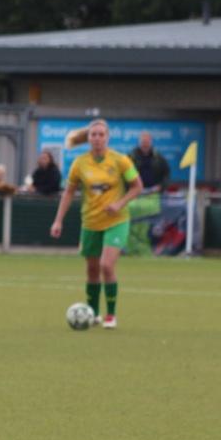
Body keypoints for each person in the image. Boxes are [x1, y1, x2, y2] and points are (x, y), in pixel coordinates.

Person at [49, 119, 143, 330]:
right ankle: (92, 314)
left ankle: (110, 315)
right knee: (92, 270)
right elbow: (69, 192)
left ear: (107, 137)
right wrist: (58, 220)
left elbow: (137, 186)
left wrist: (119, 204)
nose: (98, 138)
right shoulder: (80, 163)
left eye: (101, 134)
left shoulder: (120, 161)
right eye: (94, 135)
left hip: (116, 221)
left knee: (106, 266)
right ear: (88, 138)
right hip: (90, 222)